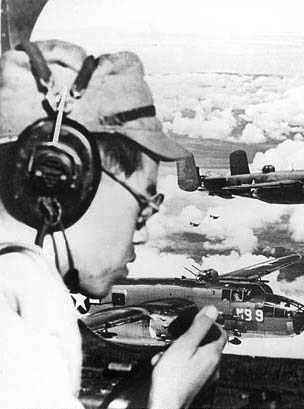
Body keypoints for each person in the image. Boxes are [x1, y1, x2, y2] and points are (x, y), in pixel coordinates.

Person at [0, 40, 226, 408]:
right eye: (143, 206)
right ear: (64, 177)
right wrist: (165, 401)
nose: (143, 233)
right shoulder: (16, 310)